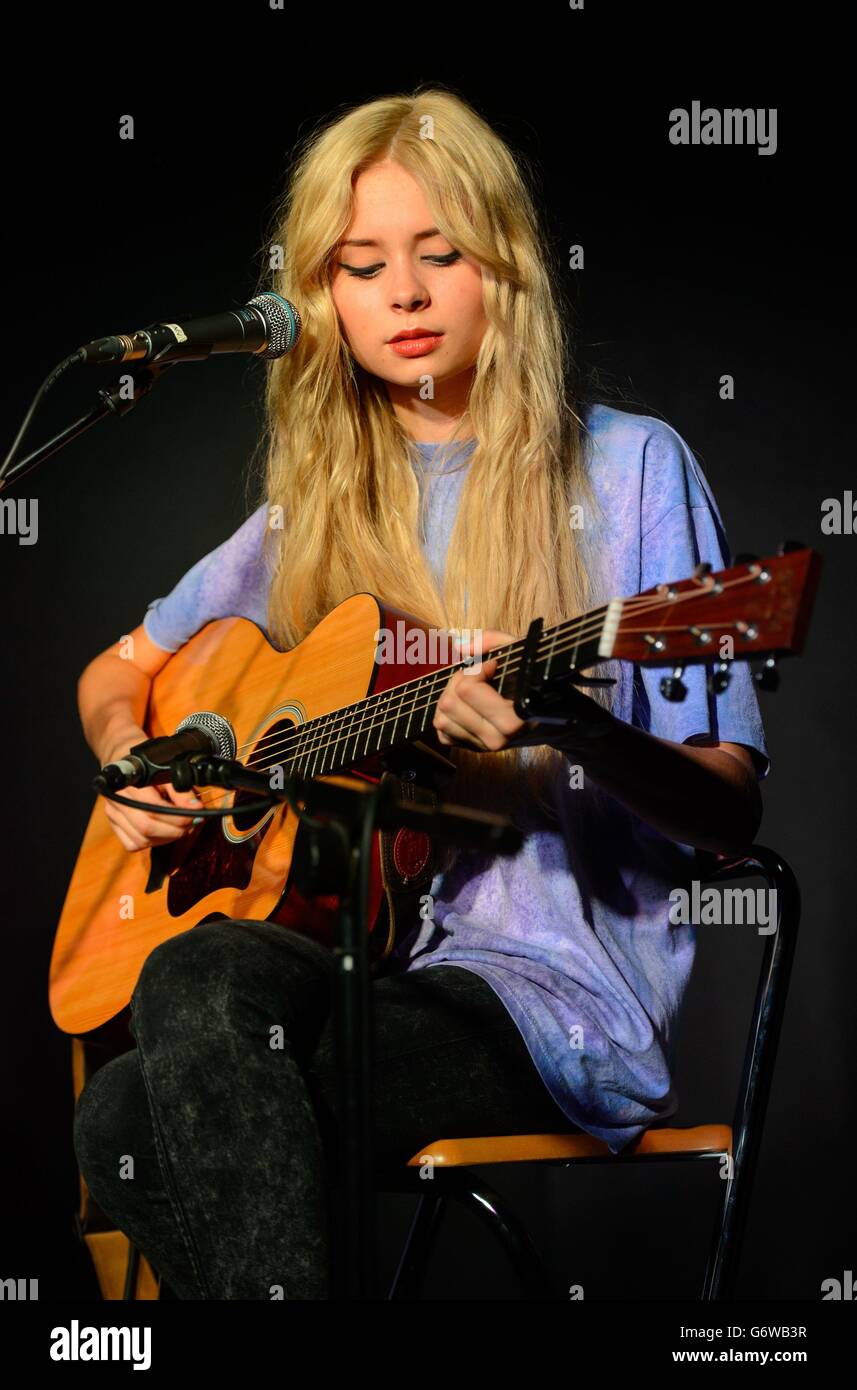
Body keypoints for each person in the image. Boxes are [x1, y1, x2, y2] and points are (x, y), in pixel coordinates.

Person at [72, 87, 768, 1301]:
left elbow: (726, 813)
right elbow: (115, 670)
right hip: (376, 967)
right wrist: (141, 759)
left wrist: (571, 723)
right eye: (359, 264)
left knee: (154, 1090)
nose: (401, 293)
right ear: (319, 295)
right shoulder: (332, 500)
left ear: (503, 267)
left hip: (547, 1007)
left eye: (439, 254)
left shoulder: (629, 467)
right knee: (126, 1093)